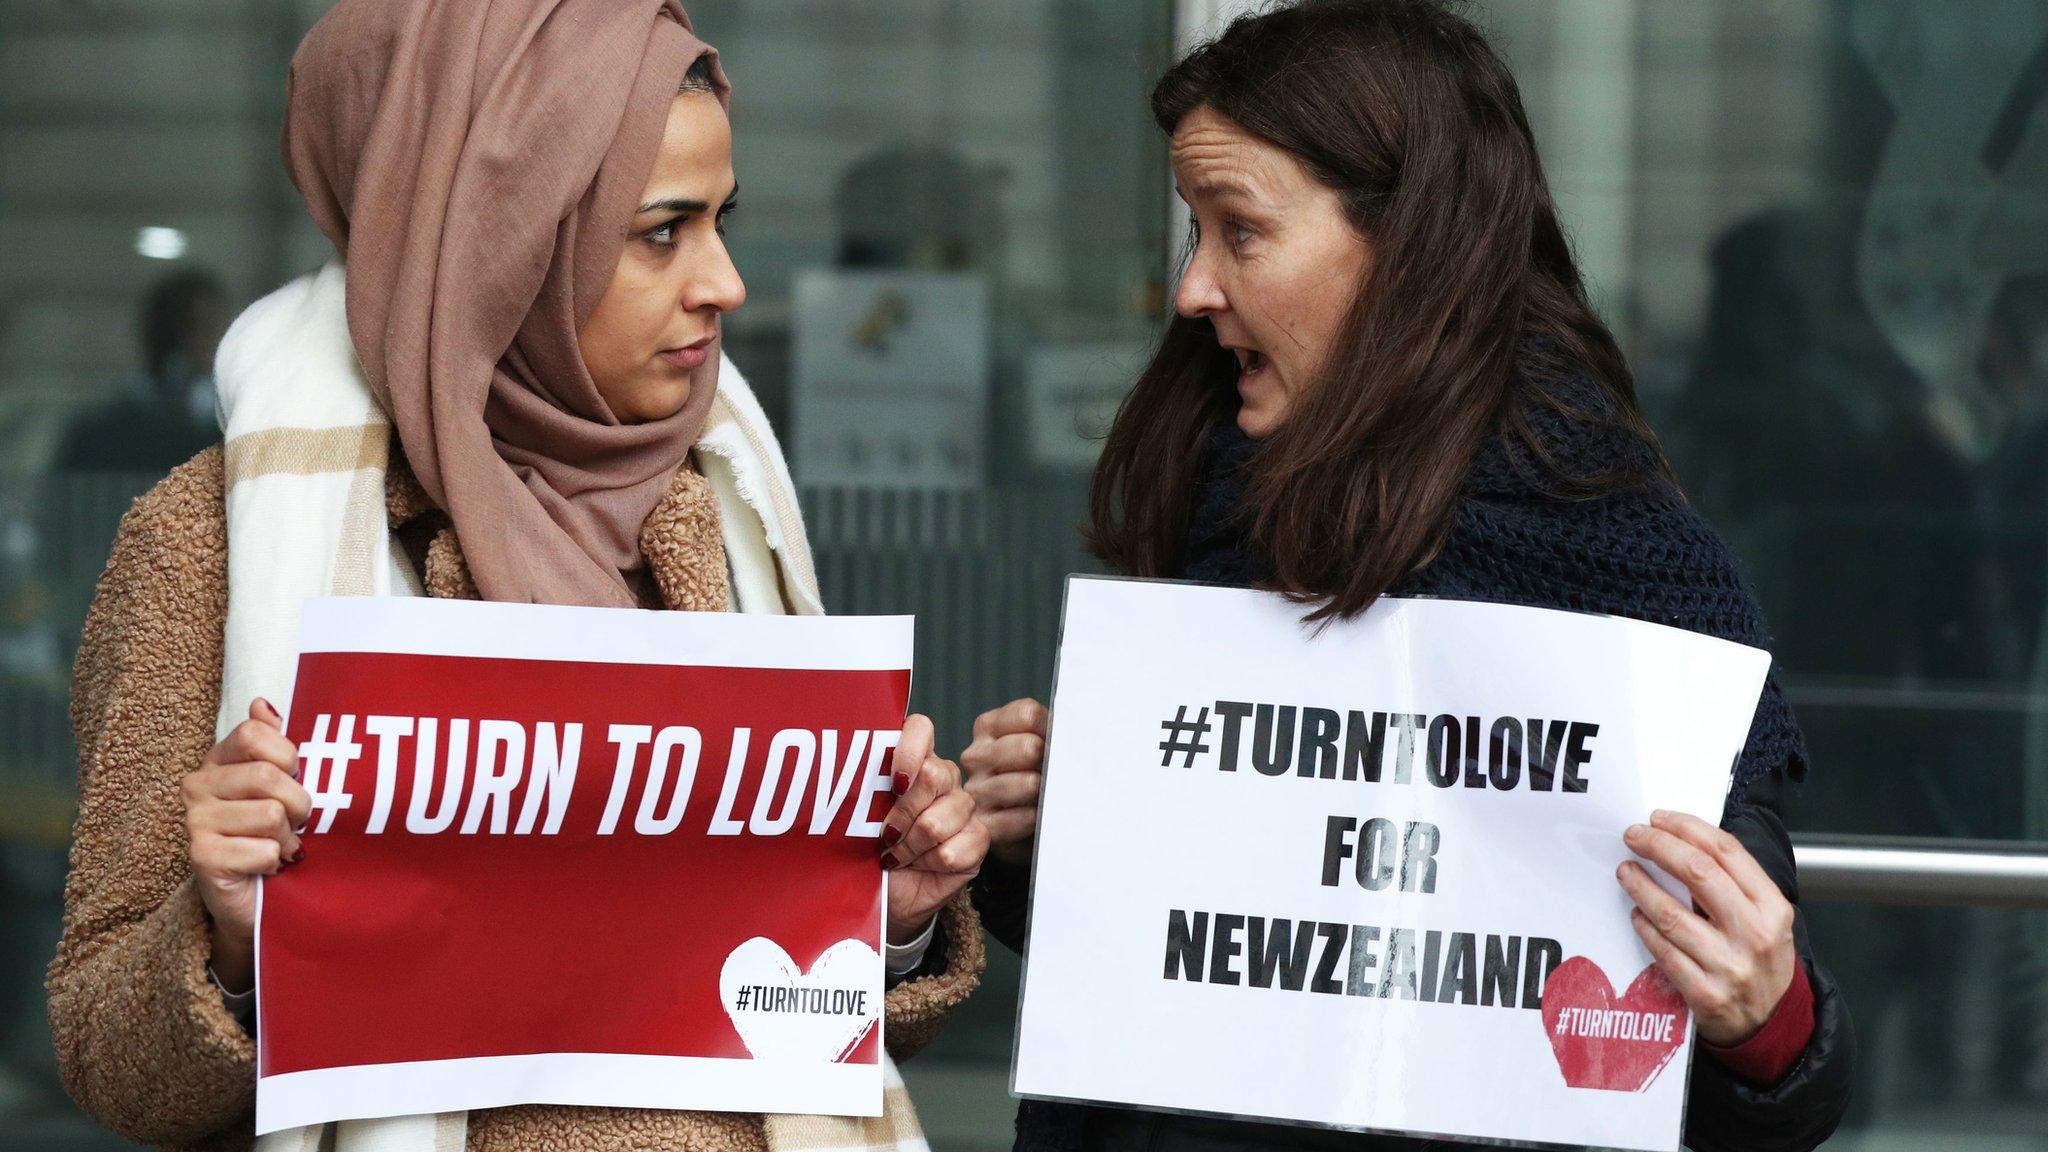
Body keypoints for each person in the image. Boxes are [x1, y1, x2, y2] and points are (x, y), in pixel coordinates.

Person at [46, 3, 986, 1150]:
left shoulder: (722, 501)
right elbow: (111, 1063)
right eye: (660, 232)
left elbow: (786, 1014)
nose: (725, 284)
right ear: (502, 240)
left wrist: (884, 914)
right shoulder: (217, 540)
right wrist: (234, 936)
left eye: (720, 220)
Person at [962, 2, 1853, 1149]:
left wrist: (1763, 1023)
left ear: (1408, 247)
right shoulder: (1217, 490)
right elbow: (1192, 969)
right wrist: (1058, 832)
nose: (1190, 289)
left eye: (1236, 231)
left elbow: (1728, 1052)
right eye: (1191, 231)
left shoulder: (1619, 564)